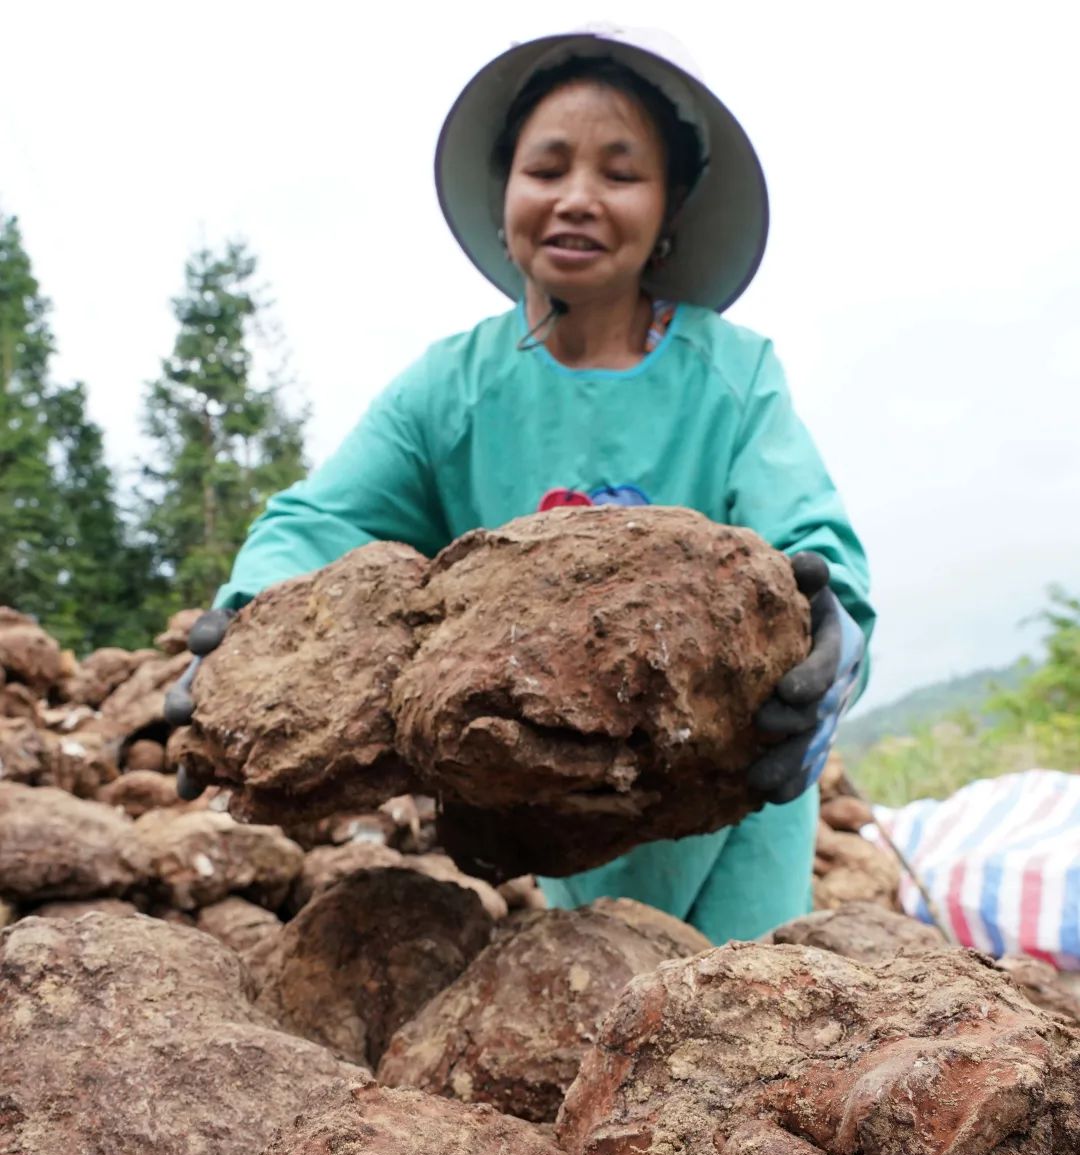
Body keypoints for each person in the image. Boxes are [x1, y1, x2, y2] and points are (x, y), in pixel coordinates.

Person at [167, 24, 874, 944]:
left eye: (620, 175)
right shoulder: (451, 389)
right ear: (504, 197)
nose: (578, 199)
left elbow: (810, 542)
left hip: (740, 792)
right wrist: (249, 622)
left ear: (669, 209)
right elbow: (323, 518)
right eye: (547, 169)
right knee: (599, 1015)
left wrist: (833, 635)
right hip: (562, 795)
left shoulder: (733, 377)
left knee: (742, 1042)